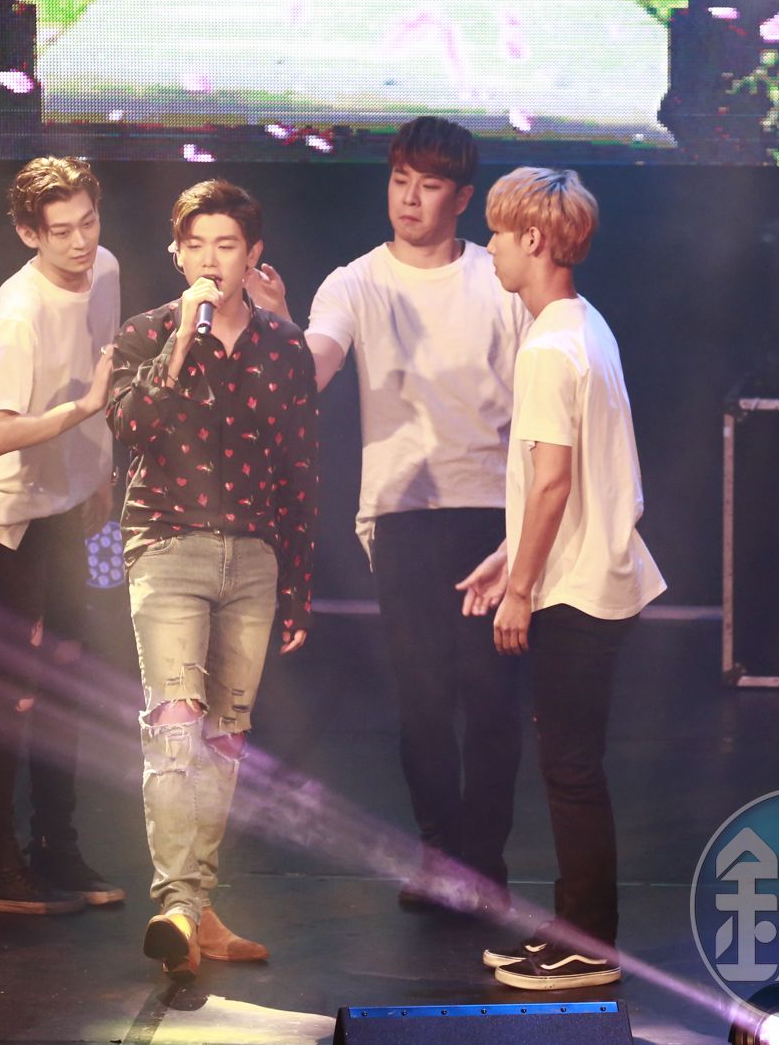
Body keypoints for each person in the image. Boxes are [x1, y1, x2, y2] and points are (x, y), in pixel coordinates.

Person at [247, 116, 530, 913]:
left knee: (492, 696)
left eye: (429, 185)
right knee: (423, 697)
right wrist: (277, 324)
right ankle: (438, 854)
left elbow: (543, 397)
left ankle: (485, 863)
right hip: (402, 512)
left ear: (462, 198)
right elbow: (312, 370)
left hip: (493, 511)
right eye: (400, 180)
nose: (409, 198)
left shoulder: (499, 280)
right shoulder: (356, 282)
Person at [457, 167, 666, 990]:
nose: (491, 248)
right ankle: (576, 928)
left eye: (499, 233)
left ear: (535, 240)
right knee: (572, 768)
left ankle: (588, 945)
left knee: (571, 772)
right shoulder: (584, 325)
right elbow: (566, 484)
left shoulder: (549, 347)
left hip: (576, 591)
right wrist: (510, 556)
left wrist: (520, 590)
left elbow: (553, 481)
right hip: (590, 574)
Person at [106, 178, 318, 980]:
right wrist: (180, 346)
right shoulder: (146, 333)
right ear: (176, 253)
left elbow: (301, 469)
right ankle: (176, 904)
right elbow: (130, 424)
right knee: (175, 724)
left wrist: (298, 583)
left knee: (225, 739)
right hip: (167, 544)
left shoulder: (284, 347)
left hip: (254, 556)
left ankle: (191, 909)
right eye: (194, 245)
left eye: (225, 245)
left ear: (253, 255)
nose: (209, 260)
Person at [0, 156, 124, 914]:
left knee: (63, 682)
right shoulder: (18, 311)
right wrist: (79, 414)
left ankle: (58, 847)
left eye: (88, 222)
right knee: (13, 696)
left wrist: (99, 469)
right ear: (29, 233)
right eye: (61, 231)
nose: (80, 242)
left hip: (64, 507)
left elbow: (103, 369)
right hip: (10, 520)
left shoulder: (106, 268)